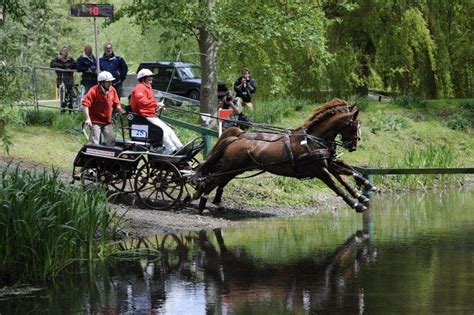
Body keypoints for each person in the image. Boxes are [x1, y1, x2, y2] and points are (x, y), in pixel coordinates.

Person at [130, 68, 183, 154]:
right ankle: (172, 150)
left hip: (150, 116)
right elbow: (142, 102)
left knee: (168, 129)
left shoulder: (147, 88)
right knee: (162, 131)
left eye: (151, 77)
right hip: (143, 117)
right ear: (143, 79)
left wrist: (157, 108)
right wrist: (156, 104)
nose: (151, 79)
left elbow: (149, 105)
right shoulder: (140, 88)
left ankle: (180, 147)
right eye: (149, 77)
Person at [82, 71, 124, 146]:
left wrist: (122, 112)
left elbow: (116, 104)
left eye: (111, 81)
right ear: (101, 83)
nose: (110, 83)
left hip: (107, 121)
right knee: (94, 143)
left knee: (111, 141)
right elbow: (85, 104)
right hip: (95, 121)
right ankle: (93, 157)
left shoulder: (112, 90)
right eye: (108, 82)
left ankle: (108, 157)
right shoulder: (93, 90)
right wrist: (88, 118)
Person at [50, 45, 76, 113]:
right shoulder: (57, 59)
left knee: (70, 96)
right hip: (61, 79)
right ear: (61, 51)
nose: (66, 52)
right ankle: (62, 110)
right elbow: (52, 64)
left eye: (67, 51)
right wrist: (62, 66)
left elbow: (75, 65)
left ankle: (71, 110)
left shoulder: (70, 59)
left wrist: (68, 66)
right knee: (62, 96)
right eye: (64, 50)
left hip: (69, 80)